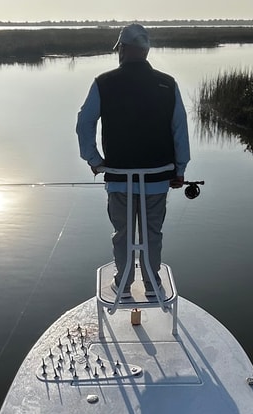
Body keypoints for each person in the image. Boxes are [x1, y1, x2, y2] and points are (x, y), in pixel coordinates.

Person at [76, 23, 190, 299]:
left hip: (118, 179)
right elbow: (180, 129)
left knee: (123, 233)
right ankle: (152, 285)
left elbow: (84, 123)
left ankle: (124, 284)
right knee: (153, 233)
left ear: (124, 49)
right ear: (146, 51)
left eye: (119, 49)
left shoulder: (103, 82)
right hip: (158, 178)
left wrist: (94, 160)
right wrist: (180, 170)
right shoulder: (167, 83)